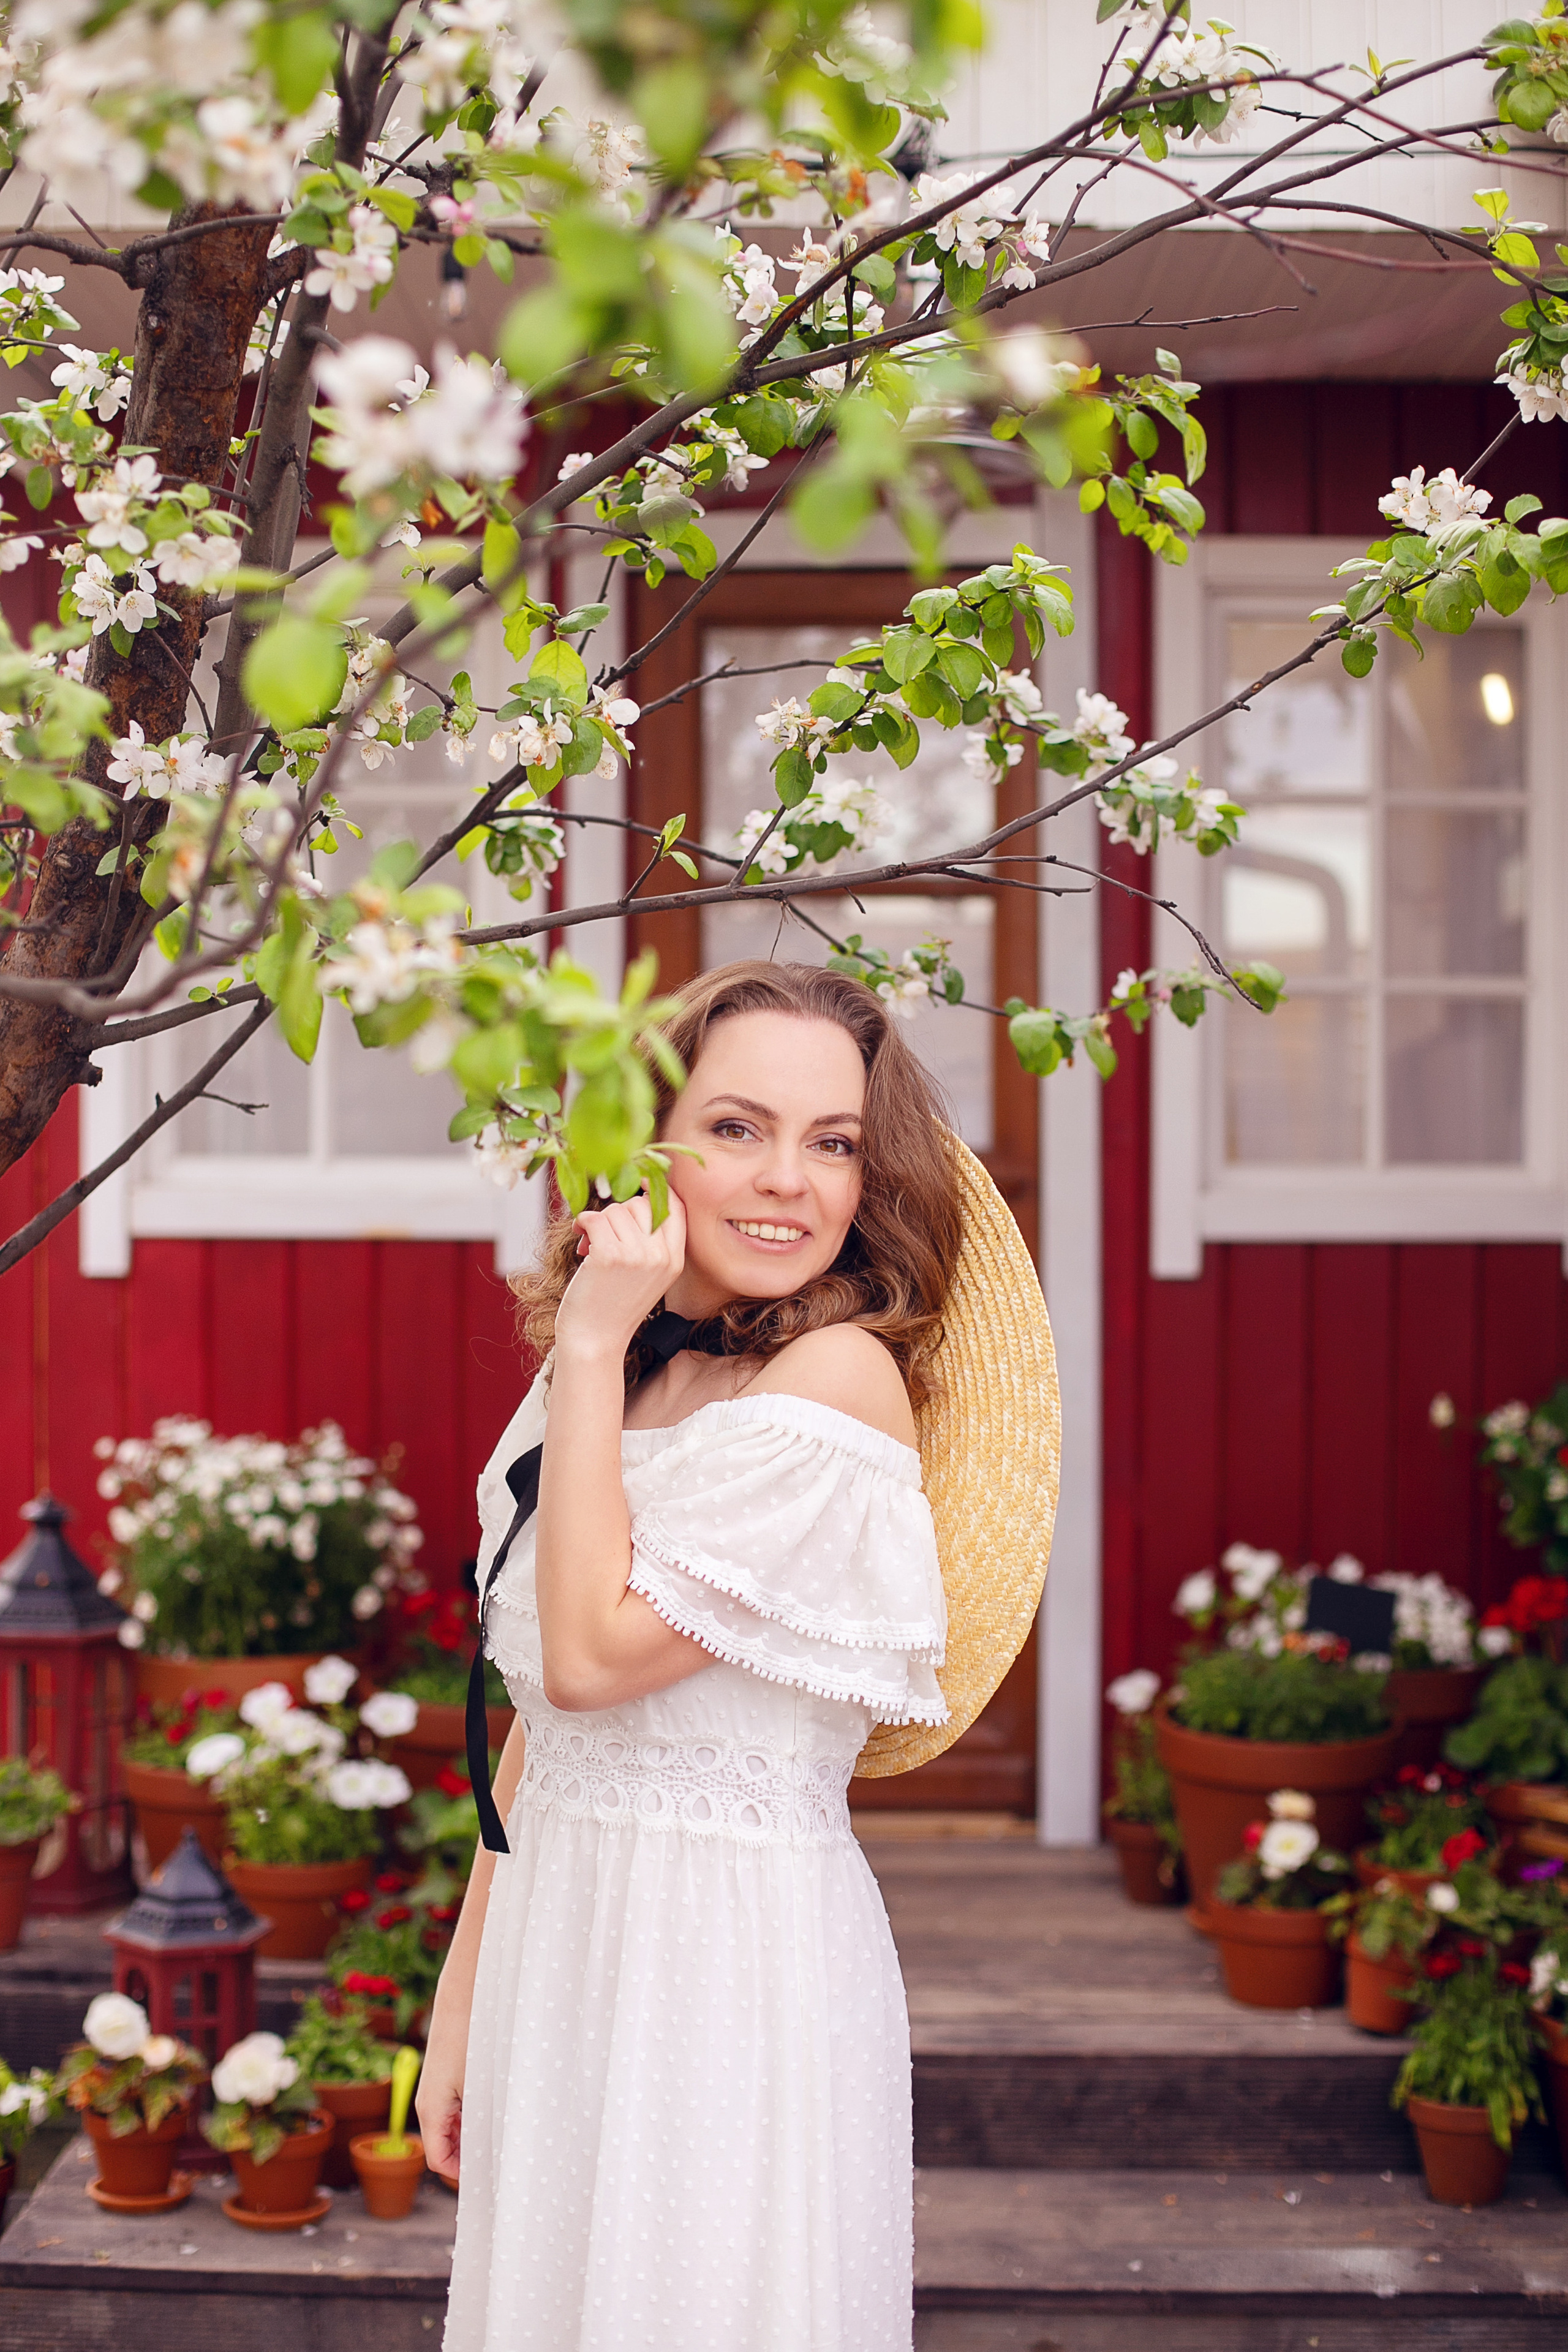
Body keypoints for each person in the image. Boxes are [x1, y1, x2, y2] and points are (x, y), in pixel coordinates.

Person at [423, 959, 1054, 2352]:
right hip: (564, 1939)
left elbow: (595, 1658)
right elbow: (544, 1713)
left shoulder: (832, 1381)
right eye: (735, 1128)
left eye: (832, 1143)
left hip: (721, 1967)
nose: (788, 1181)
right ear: (641, 1147)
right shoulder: (615, 1369)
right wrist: (460, 2001)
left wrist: (587, 1347)